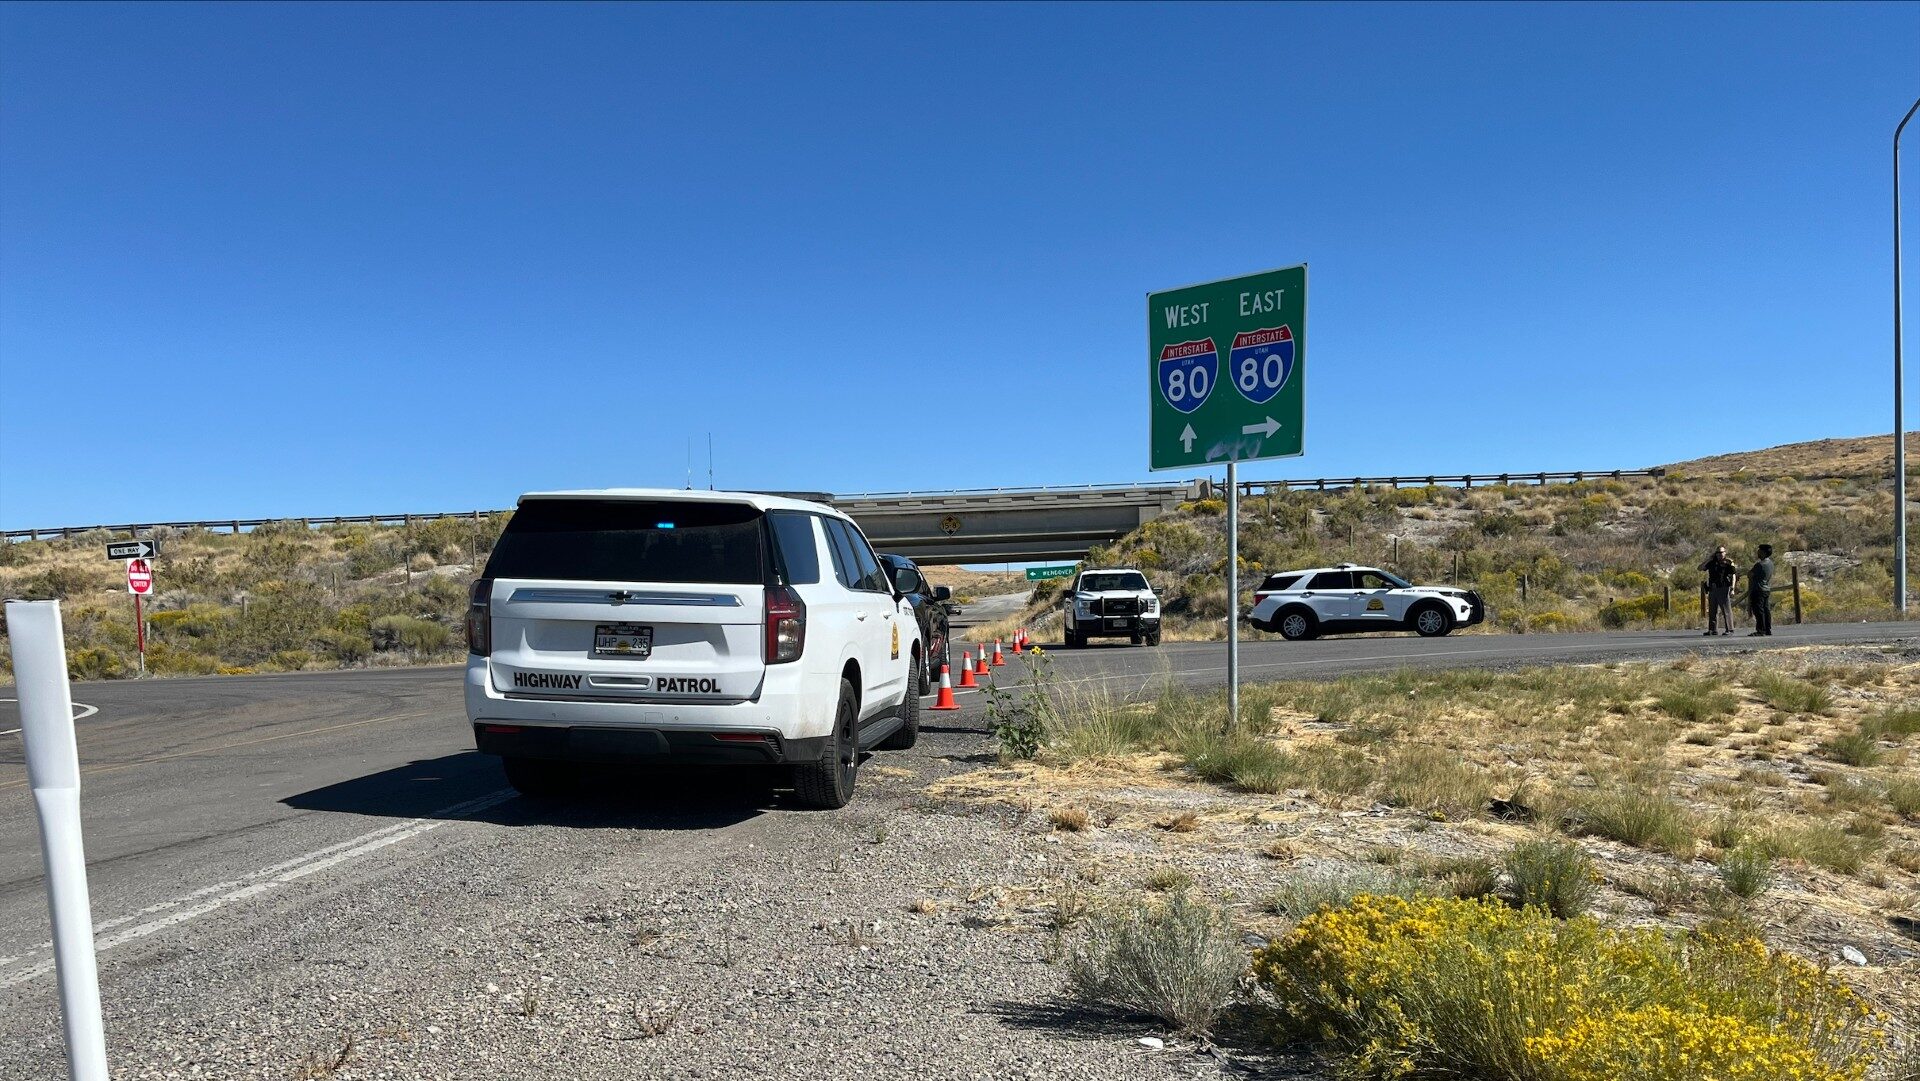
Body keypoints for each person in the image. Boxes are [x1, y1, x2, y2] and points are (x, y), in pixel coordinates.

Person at [1699, 545, 1738, 635]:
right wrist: (1708, 559)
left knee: (1726, 610)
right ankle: (1712, 629)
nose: (1719, 554)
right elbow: (1700, 568)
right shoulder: (1712, 562)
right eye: (1717, 553)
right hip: (1713, 588)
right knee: (1712, 610)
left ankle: (1730, 629)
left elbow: (1733, 575)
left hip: (1723, 588)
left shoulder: (1728, 563)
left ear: (1725, 553)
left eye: (1721, 552)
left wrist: (1732, 588)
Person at [1748, 544, 1775, 637]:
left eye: (1759, 551)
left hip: (1758, 589)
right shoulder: (1770, 563)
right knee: (1766, 609)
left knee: (1758, 610)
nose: (1757, 552)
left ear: (1763, 553)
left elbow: (1750, 574)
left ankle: (1760, 630)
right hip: (1766, 589)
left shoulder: (1759, 565)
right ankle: (1768, 628)